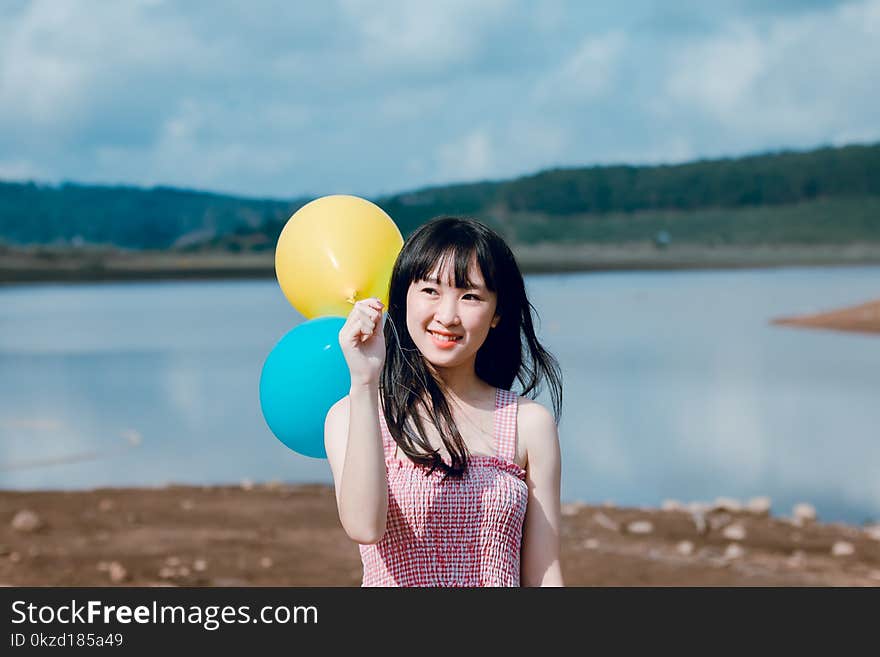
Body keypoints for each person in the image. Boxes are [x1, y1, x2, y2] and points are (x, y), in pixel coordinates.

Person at [324, 216, 564, 587]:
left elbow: (544, 573)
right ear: (402, 298)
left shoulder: (528, 422)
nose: (447, 316)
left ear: (497, 312)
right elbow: (364, 526)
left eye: (470, 296)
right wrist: (365, 380)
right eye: (431, 291)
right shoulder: (353, 413)